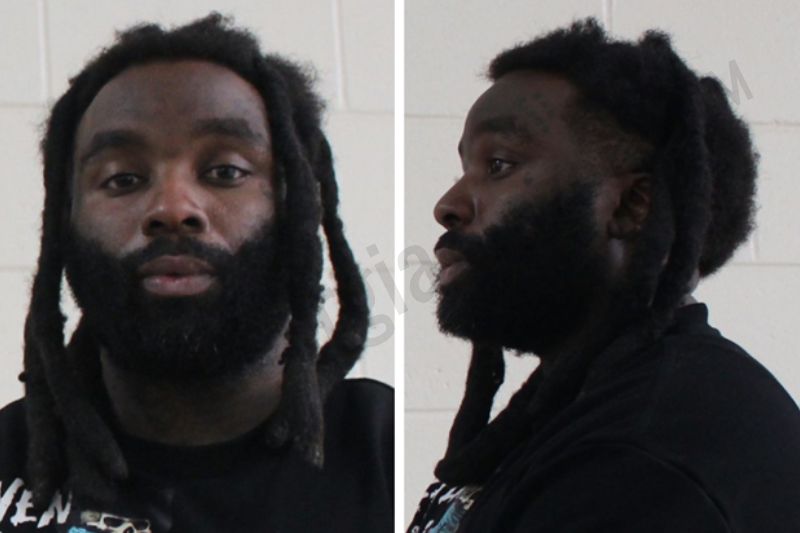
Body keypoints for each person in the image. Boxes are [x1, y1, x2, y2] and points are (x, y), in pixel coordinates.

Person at [0, 14, 393, 533]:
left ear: (299, 206)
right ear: (64, 223)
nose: (172, 208)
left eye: (225, 172)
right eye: (122, 178)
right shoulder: (10, 454)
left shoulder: (386, 457)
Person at [408, 19, 800, 533]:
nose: (448, 205)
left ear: (633, 205)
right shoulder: (589, 404)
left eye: (498, 164)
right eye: (465, 167)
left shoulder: (646, 457)